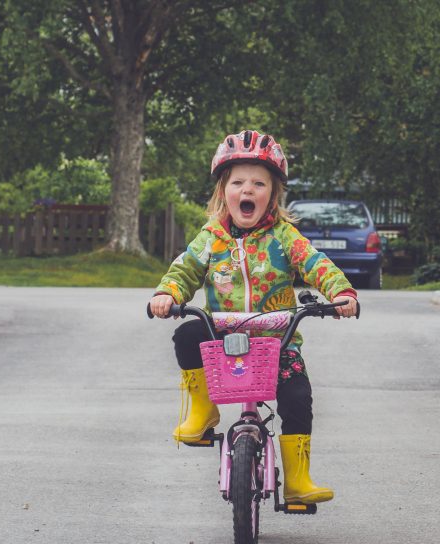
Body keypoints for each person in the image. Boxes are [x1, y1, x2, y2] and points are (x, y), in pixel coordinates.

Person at [149, 130, 358, 504]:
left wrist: (340, 293)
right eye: (239, 182)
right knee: (186, 335)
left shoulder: (284, 237)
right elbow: (185, 270)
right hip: (223, 338)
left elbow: (317, 264)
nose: (248, 190)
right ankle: (204, 411)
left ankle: (297, 481)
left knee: (297, 396)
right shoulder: (210, 238)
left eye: (259, 183)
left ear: (272, 194)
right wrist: (168, 294)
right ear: (223, 192)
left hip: (276, 342)